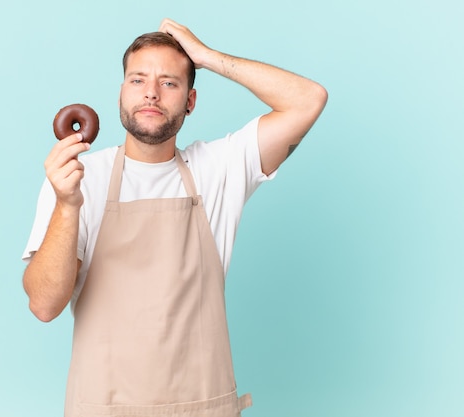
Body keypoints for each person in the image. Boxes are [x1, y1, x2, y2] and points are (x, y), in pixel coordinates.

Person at [21, 18, 327, 417]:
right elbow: (44, 306)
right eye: (137, 80)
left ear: (190, 101)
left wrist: (208, 57)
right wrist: (67, 205)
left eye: (169, 82)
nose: (151, 92)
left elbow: (309, 99)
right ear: (120, 94)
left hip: (202, 407)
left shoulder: (218, 169)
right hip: (104, 407)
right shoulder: (78, 179)